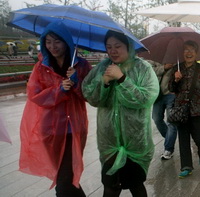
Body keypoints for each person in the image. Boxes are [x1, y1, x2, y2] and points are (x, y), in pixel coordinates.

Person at [19, 21, 92, 197]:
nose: (52, 46)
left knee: (66, 178)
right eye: (48, 41)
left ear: (66, 41)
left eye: (57, 41)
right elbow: (35, 95)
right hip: (50, 130)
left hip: (73, 129)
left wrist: (76, 83)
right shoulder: (41, 67)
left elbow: (90, 95)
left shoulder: (81, 66)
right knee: (64, 177)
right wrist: (59, 89)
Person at [82, 30, 159, 197]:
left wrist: (122, 78)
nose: (113, 50)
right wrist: (105, 82)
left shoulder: (143, 68)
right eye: (109, 47)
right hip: (109, 141)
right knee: (110, 186)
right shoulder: (102, 68)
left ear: (128, 46)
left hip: (135, 141)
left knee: (135, 185)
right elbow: (91, 97)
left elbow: (146, 98)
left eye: (118, 46)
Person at [169, 40, 200, 178]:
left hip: (198, 110)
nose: (188, 53)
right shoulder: (176, 68)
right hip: (181, 110)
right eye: (186, 50)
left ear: (196, 53)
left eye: (191, 50)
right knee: (183, 139)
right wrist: (175, 80)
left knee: (199, 137)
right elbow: (171, 89)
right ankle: (186, 166)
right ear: (182, 53)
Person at [149, 60, 178, 160]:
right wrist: (164, 67)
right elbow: (150, 71)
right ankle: (170, 138)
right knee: (156, 118)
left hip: (171, 93)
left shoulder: (176, 57)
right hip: (158, 94)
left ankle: (168, 149)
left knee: (171, 121)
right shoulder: (153, 58)